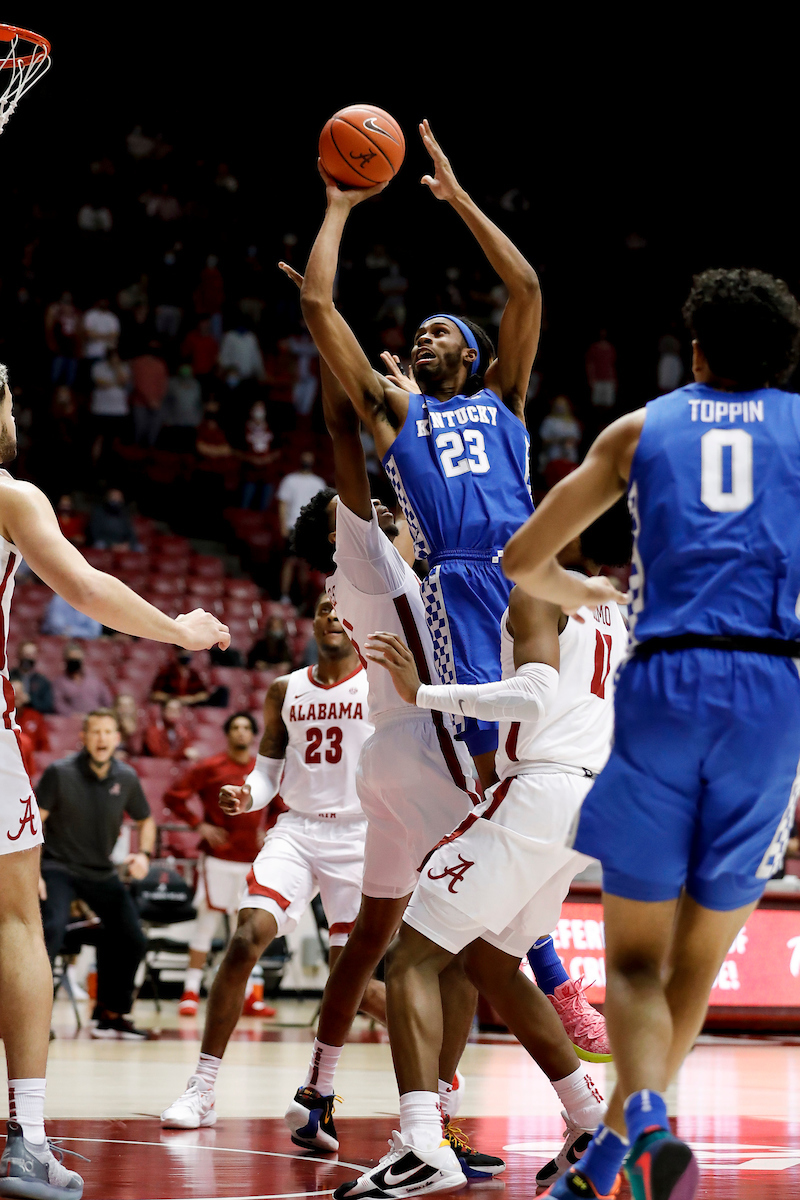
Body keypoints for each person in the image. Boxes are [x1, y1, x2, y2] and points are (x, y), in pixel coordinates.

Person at [502, 267, 800, 1200]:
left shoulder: (639, 429)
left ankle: (640, 1129)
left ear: (695, 351)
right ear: (784, 360)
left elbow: (523, 559)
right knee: (694, 967)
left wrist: (587, 589)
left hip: (666, 679)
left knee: (632, 960)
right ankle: (627, 1141)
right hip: (771, 689)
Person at [0, 358, 227, 1200]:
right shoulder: (10, 494)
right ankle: (25, 1138)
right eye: (7, 397)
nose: (14, 413)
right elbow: (86, 587)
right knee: (15, 922)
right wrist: (179, 630)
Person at [350, 518, 627, 1198]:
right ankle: (589, 1121)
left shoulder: (540, 589)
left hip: (537, 791)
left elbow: (533, 695)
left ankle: (423, 1146)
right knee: (492, 965)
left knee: (412, 957)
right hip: (587, 802)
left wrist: (423, 693)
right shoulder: (611, 610)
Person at [284, 327, 493, 1176]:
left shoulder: (363, 575)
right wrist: (339, 349)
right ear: (362, 523)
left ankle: (317, 1087)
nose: (403, 522)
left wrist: (409, 400)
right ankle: (439, 1120)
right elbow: (366, 455)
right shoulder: (369, 558)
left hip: (386, 760)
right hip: (426, 751)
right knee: (469, 947)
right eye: (389, 516)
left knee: (372, 936)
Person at [295, 120, 538, 793]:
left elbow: (526, 289)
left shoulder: (505, 399)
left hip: (528, 568)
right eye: (418, 334)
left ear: (473, 354)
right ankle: (486, 820)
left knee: (550, 723)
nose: (422, 339)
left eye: (439, 332)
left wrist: (459, 199)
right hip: (456, 576)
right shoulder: (398, 413)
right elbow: (317, 304)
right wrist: (338, 207)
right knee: (486, 742)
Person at [160, 595, 378, 1130]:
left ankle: (417, 1082)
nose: (332, 614)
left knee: (354, 982)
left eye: (341, 608)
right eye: (322, 607)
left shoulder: (381, 683)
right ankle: (202, 1088)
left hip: (360, 835)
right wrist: (247, 795)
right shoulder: (286, 688)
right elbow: (266, 774)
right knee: (243, 939)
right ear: (313, 621)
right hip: (297, 829)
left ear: (357, 621)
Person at [37, 709, 156, 1041]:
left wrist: (144, 855)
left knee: (132, 936)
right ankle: (32, 1018)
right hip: (58, 866)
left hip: (100, 870)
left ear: (117, 739)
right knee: (51, 929)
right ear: (84, 738)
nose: (102, 738)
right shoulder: (59, 773)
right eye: (95, 732)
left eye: (108, 732)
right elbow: (33, 822)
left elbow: (146, 821)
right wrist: (34, 872)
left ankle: (110, 1014)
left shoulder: (127, 777)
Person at [161, 712, 274, 1018]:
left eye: (246, 727)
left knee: (249, 929)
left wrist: (270, 829)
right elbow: (173, 796)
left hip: (253, 859)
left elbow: (281, 805)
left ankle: (249, 994)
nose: (241, 732)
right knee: (206, 924)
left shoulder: (262, 770)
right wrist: (199, 825)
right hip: (217, 857)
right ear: (227, 733)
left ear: (253, 734)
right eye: (235, 727)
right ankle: (190, 991)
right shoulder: (209, 767)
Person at [277, 452, 327, 605]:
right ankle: (284, 596)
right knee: (290, 562)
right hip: (293, 526)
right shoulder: (290, 480)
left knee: (306, 564)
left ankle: (303, 599)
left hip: (309, 528)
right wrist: (283, 525)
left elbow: (321, 508)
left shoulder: (318, 482)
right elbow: (283, 504)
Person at [52, 643, 113, 713]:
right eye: (72, 659)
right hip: (72, 718)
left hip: (95, 717)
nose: (74, 662)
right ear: (65, 661)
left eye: (77, 659)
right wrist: (73, 715)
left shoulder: (95, 680)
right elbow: (58, 704)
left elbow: (107, 701)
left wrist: (101, 714)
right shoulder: (59, 683)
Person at [14, 640, 54, 714]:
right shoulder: (9, 677)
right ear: (19, 655)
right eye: (25, 654)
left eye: (31, 655)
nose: (28, 658)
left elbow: (47, 706)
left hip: (34, 716)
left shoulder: (42, 681)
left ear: (36, 656)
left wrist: (30, 700)